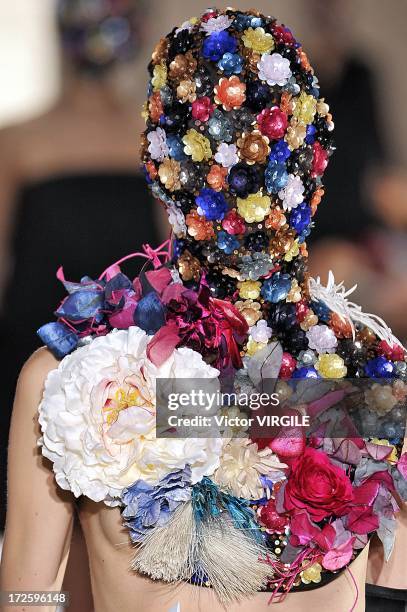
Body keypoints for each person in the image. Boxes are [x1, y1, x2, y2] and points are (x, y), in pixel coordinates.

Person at [1, 8, 406, 612]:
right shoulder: (374, 390)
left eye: (262, 149)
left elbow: (30, 599)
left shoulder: (72, 385)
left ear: (156, 165)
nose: (244, 181)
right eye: (224, 151)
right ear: (317, 163)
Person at [0, 0, 160, 529]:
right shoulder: (148, 141)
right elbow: (169, 260)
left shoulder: (18, 142)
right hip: (102, 362)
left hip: (71, 360)